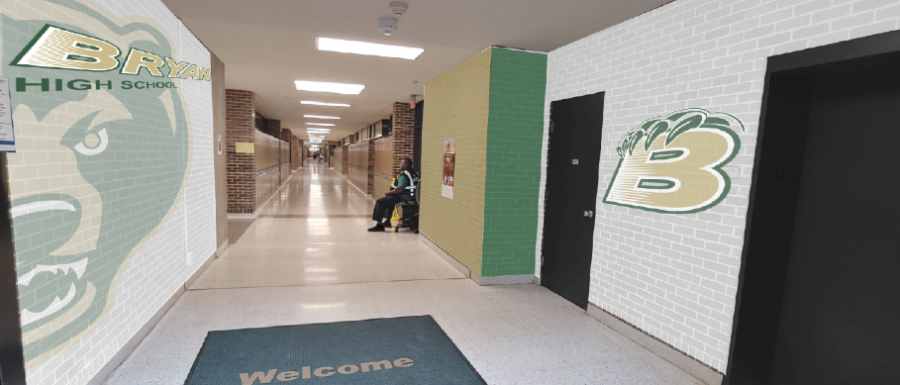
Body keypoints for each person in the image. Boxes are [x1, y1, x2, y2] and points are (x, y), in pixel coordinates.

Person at [368, 158, 419, 232]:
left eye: (401, 163)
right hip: (412, 196)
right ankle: (388, 222)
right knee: (389, 201)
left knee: (380, 202)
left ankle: (379, 225)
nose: (399, 164)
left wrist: (389, 193)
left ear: (406, 165)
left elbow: (400, 189)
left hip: (404, 197)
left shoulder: (405, 175)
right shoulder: (415, 173)